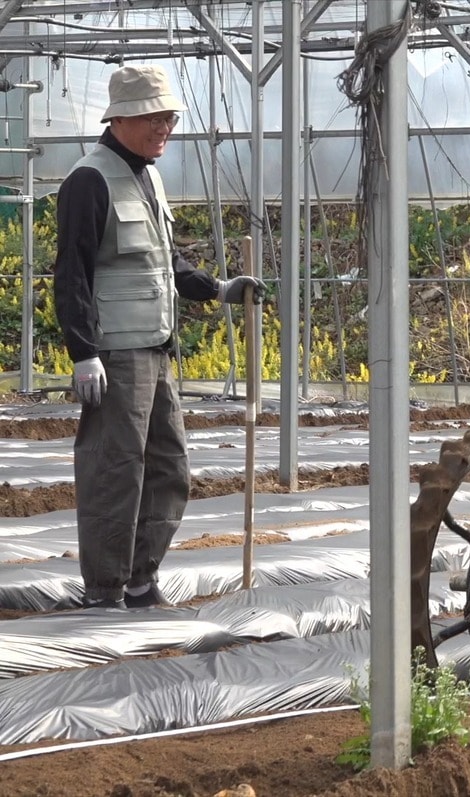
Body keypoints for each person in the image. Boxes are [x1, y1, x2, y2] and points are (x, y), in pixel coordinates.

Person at [54, 65, 266, 609]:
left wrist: (218, 289)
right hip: (116, 354)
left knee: (170, 468)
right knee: (115, 472)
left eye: (170, 117)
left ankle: (140, 578)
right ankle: (105, 591)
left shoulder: (149, 176)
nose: (165, 127)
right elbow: (72, 273)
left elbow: (164, 263)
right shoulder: (89, 179)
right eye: (156, 117)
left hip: (158, 349)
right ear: (121, 117)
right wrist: (83, 353)